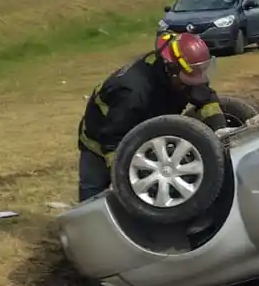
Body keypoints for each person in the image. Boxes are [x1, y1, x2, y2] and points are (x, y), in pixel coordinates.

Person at [76, 32, 226, 202]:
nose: (190, 86)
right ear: (171, 70)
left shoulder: (182, 74)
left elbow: (205, 98)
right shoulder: (134, 92)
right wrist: (125, 174)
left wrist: (221, 130)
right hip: (101, 139)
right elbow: (113, 139)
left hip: (142, 126)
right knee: (95, 193)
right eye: (186, 81)